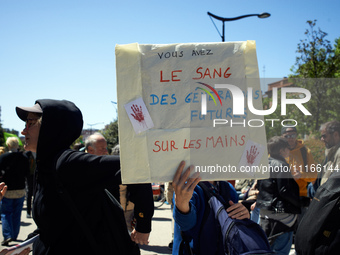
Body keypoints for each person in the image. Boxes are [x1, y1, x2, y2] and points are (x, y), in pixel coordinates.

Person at [16, 99, 154, 254]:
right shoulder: (44, 166)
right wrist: (25, 245)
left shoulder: (68, 163)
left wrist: (143, 224)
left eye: (30, 123)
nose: (24, 131)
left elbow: (135, 168)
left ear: (51, 127)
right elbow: (54, 222)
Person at [172, 161, 250, 255]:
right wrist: (182, 204)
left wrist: (244, 215)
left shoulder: (228, 188)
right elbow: (186, 225)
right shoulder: (186, 188)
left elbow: (235, 224)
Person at [85, 136, 152, 241]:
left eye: (106, 148)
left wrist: (143, 226)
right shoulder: (81, 169)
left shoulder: (118, 168)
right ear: (90, 150)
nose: (106, 152)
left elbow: (141, 189)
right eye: (102, 148)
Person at [257, 136, 301, 255]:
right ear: (281, 150)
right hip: (282, 216)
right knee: (280, 250)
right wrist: (300, 203)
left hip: (265, 213)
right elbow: (284, 190)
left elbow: (259, 187)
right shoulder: (282, 165)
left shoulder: (264, 164)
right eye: (288, 148)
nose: (289, 150)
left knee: (265, 248)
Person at [0, 137, 30, 246]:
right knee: (17, 213)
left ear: (8, 145)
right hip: (20, 189)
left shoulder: (3, 157)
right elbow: (27, 173)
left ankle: (7, 235)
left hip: (7, 189)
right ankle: (15, 235)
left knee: (6, 213)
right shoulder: (23, 157)